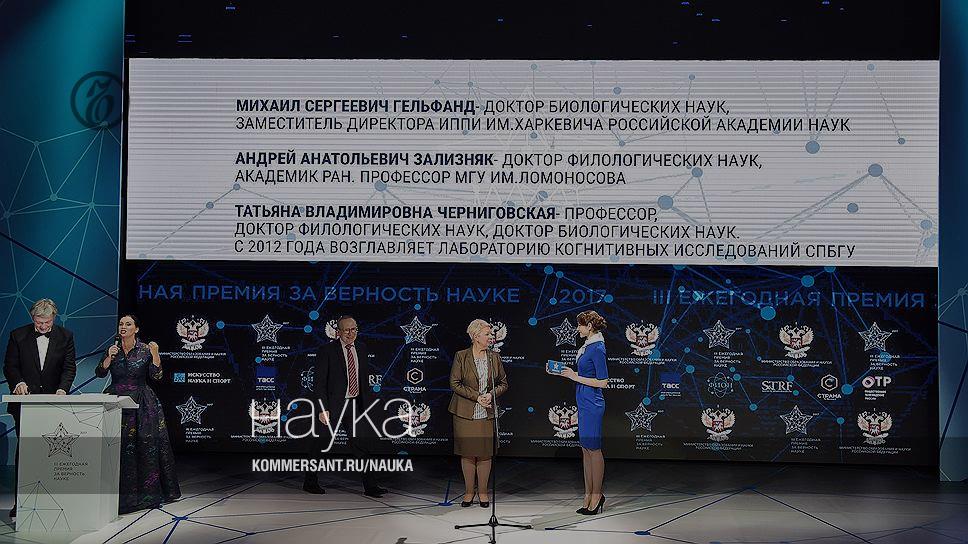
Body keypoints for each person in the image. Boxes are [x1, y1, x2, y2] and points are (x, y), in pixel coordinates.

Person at [95, 314, 180, 514]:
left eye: (128, 324)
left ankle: (145, 496)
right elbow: (100, 373)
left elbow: (157, 375)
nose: (123, 327)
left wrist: (156, 354)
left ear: (136, 329)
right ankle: (114, 494)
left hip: (142, 403)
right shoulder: (112, 349)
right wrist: (108, 357)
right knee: (117, 447)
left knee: (143, 447)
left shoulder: (145, 349)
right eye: (121, 324)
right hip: (115, 400)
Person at [3, 299, 76, 519]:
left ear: (54, 318)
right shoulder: (18, 335)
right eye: (39, 322)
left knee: (53, 455)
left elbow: (69, 368)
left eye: (47, 322)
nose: (43, 326)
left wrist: (63, 389)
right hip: (25, 405)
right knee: (26, 452)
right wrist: (18, 382)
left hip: (55, 405)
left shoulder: (66, 336)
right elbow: (10, 366)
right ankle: (21, 502)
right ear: (32, 317)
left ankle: (52, 503)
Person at [304, 315, 388, 497]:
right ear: (338, 332)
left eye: (354, 329)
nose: (351, 333)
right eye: (347, 330)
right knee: (321, 444)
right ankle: (309, 482)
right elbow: (319, 383)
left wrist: (366, 403)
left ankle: (371, 487)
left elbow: (362, 378)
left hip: (355, 405)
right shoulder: (326, 350)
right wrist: (322, 409)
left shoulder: (362, 348)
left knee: (361, 446)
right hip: (332, 406)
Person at [448, 319, 509, 508]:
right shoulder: (461, 356)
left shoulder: (494, 357)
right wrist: (477, 397)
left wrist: (490, 395)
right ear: (475, 336)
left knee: (484, 454)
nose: (491, 337)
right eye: (487, 334)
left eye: (491, 334)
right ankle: (469, 492)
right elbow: (455, 383)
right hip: (465, 412)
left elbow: (504, 383)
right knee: (467, 454)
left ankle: (483, 492)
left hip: (486, 412)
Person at [556, 310, 609, 515]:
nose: (577, 328)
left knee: (593, 449)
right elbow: (586, 375)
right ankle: (588, 494)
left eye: (579, 325)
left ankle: (597, 495)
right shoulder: (588, 345)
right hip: (583, 400)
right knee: (585, 449)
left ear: (590, 327)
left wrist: (574, 377)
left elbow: (603, 382)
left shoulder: (598, 348)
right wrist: (568, 374)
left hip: (593, 403)